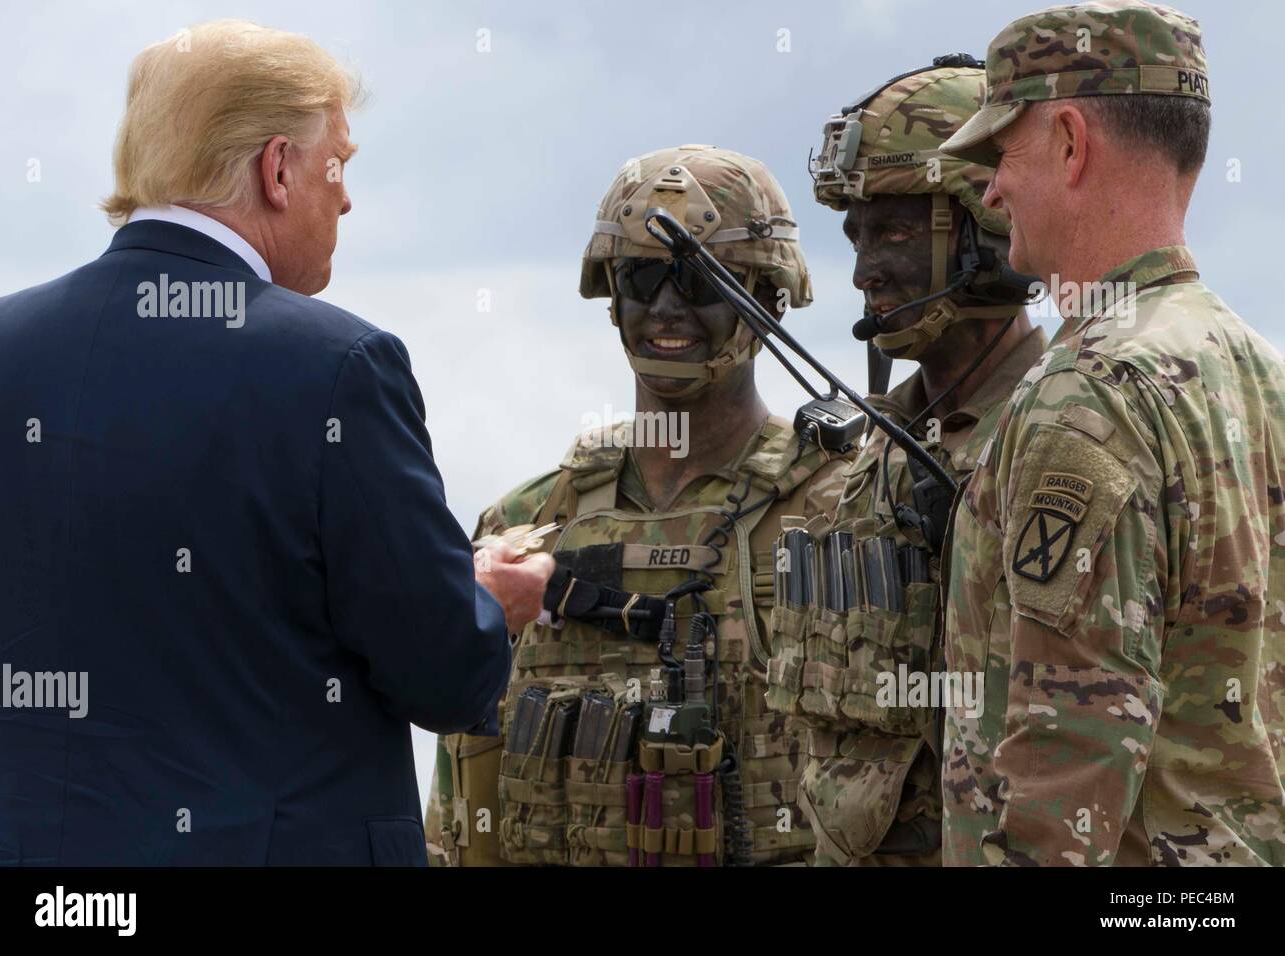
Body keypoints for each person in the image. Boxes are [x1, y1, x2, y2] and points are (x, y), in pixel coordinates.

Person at [0, 20, 549, 866]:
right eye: (340, 164)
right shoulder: (340, 366)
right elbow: (442, 674)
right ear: (277, 168)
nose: (348, 197)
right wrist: (487, 604)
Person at [425, 145, 852, 866]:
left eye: (697, 281)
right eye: (642, 277)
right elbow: (465, 797)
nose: (664, 308)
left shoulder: (839, 509)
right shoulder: (528, 524)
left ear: (768, 298)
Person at [937, 0, 1285, 865]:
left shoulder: (1088, 393)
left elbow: (1071, 745)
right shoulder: (1260, 371)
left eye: (1002, 152)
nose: (991, 188)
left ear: (1067, 140)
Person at [766, 58, 1044, 866]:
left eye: (892, 231)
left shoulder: (1050, 429)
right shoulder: (877, 447)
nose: (862, 272)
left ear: (983, 228)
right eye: (856, 236)